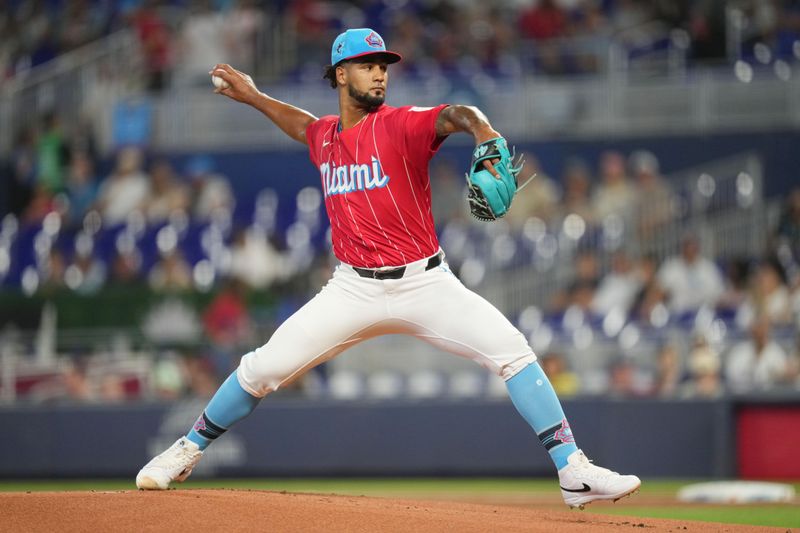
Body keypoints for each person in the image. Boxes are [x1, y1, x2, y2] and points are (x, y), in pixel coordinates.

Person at [136, 28, 640, 509]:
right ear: (339, 75)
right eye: (366, 66)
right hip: (352, 289)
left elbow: (456, 112)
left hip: (426, 282)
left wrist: (484, 131)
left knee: (513, 352)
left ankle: (572, 469)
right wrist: (253, 96)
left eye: (383, 66)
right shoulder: (326, 138)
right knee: (261, 368)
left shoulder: (401, 124)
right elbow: (301, 124)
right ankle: (185, 450)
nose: (379, 74)